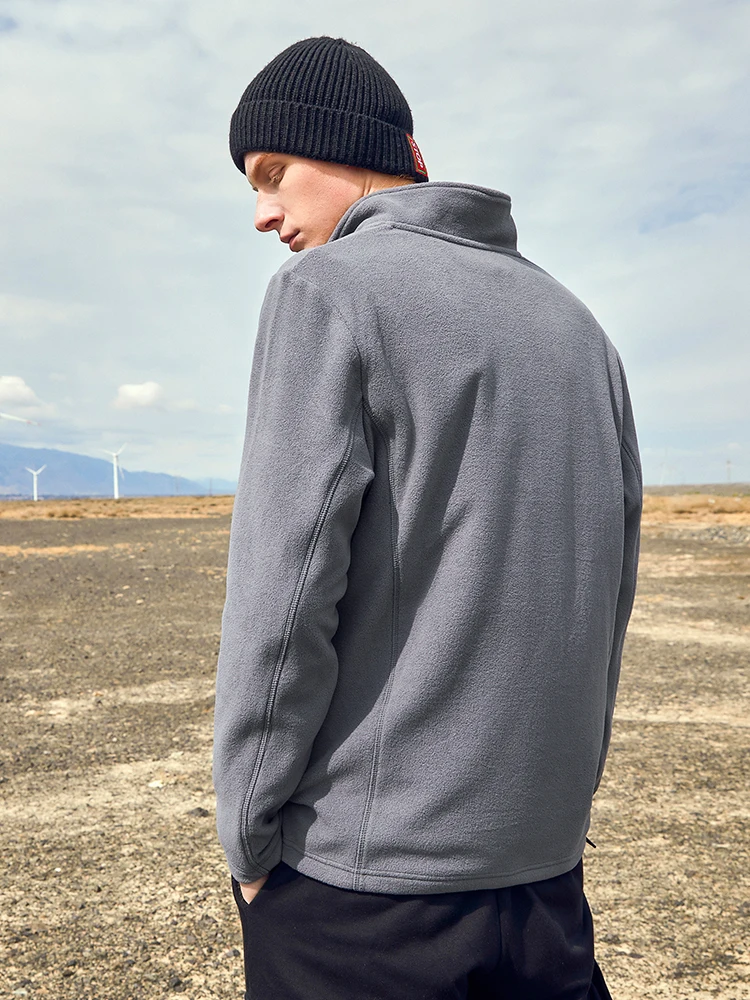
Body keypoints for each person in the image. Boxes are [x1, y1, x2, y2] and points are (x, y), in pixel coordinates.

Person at [212, 34, 642, 1000]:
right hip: (544, 883)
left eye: (273, 173)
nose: (262, 212)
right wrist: (557, 820)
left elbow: (282, 597)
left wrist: (248, 836)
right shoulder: (578, 325)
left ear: (350, 148)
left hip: (364, 897)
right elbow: (605, 595)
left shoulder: (327, 294)